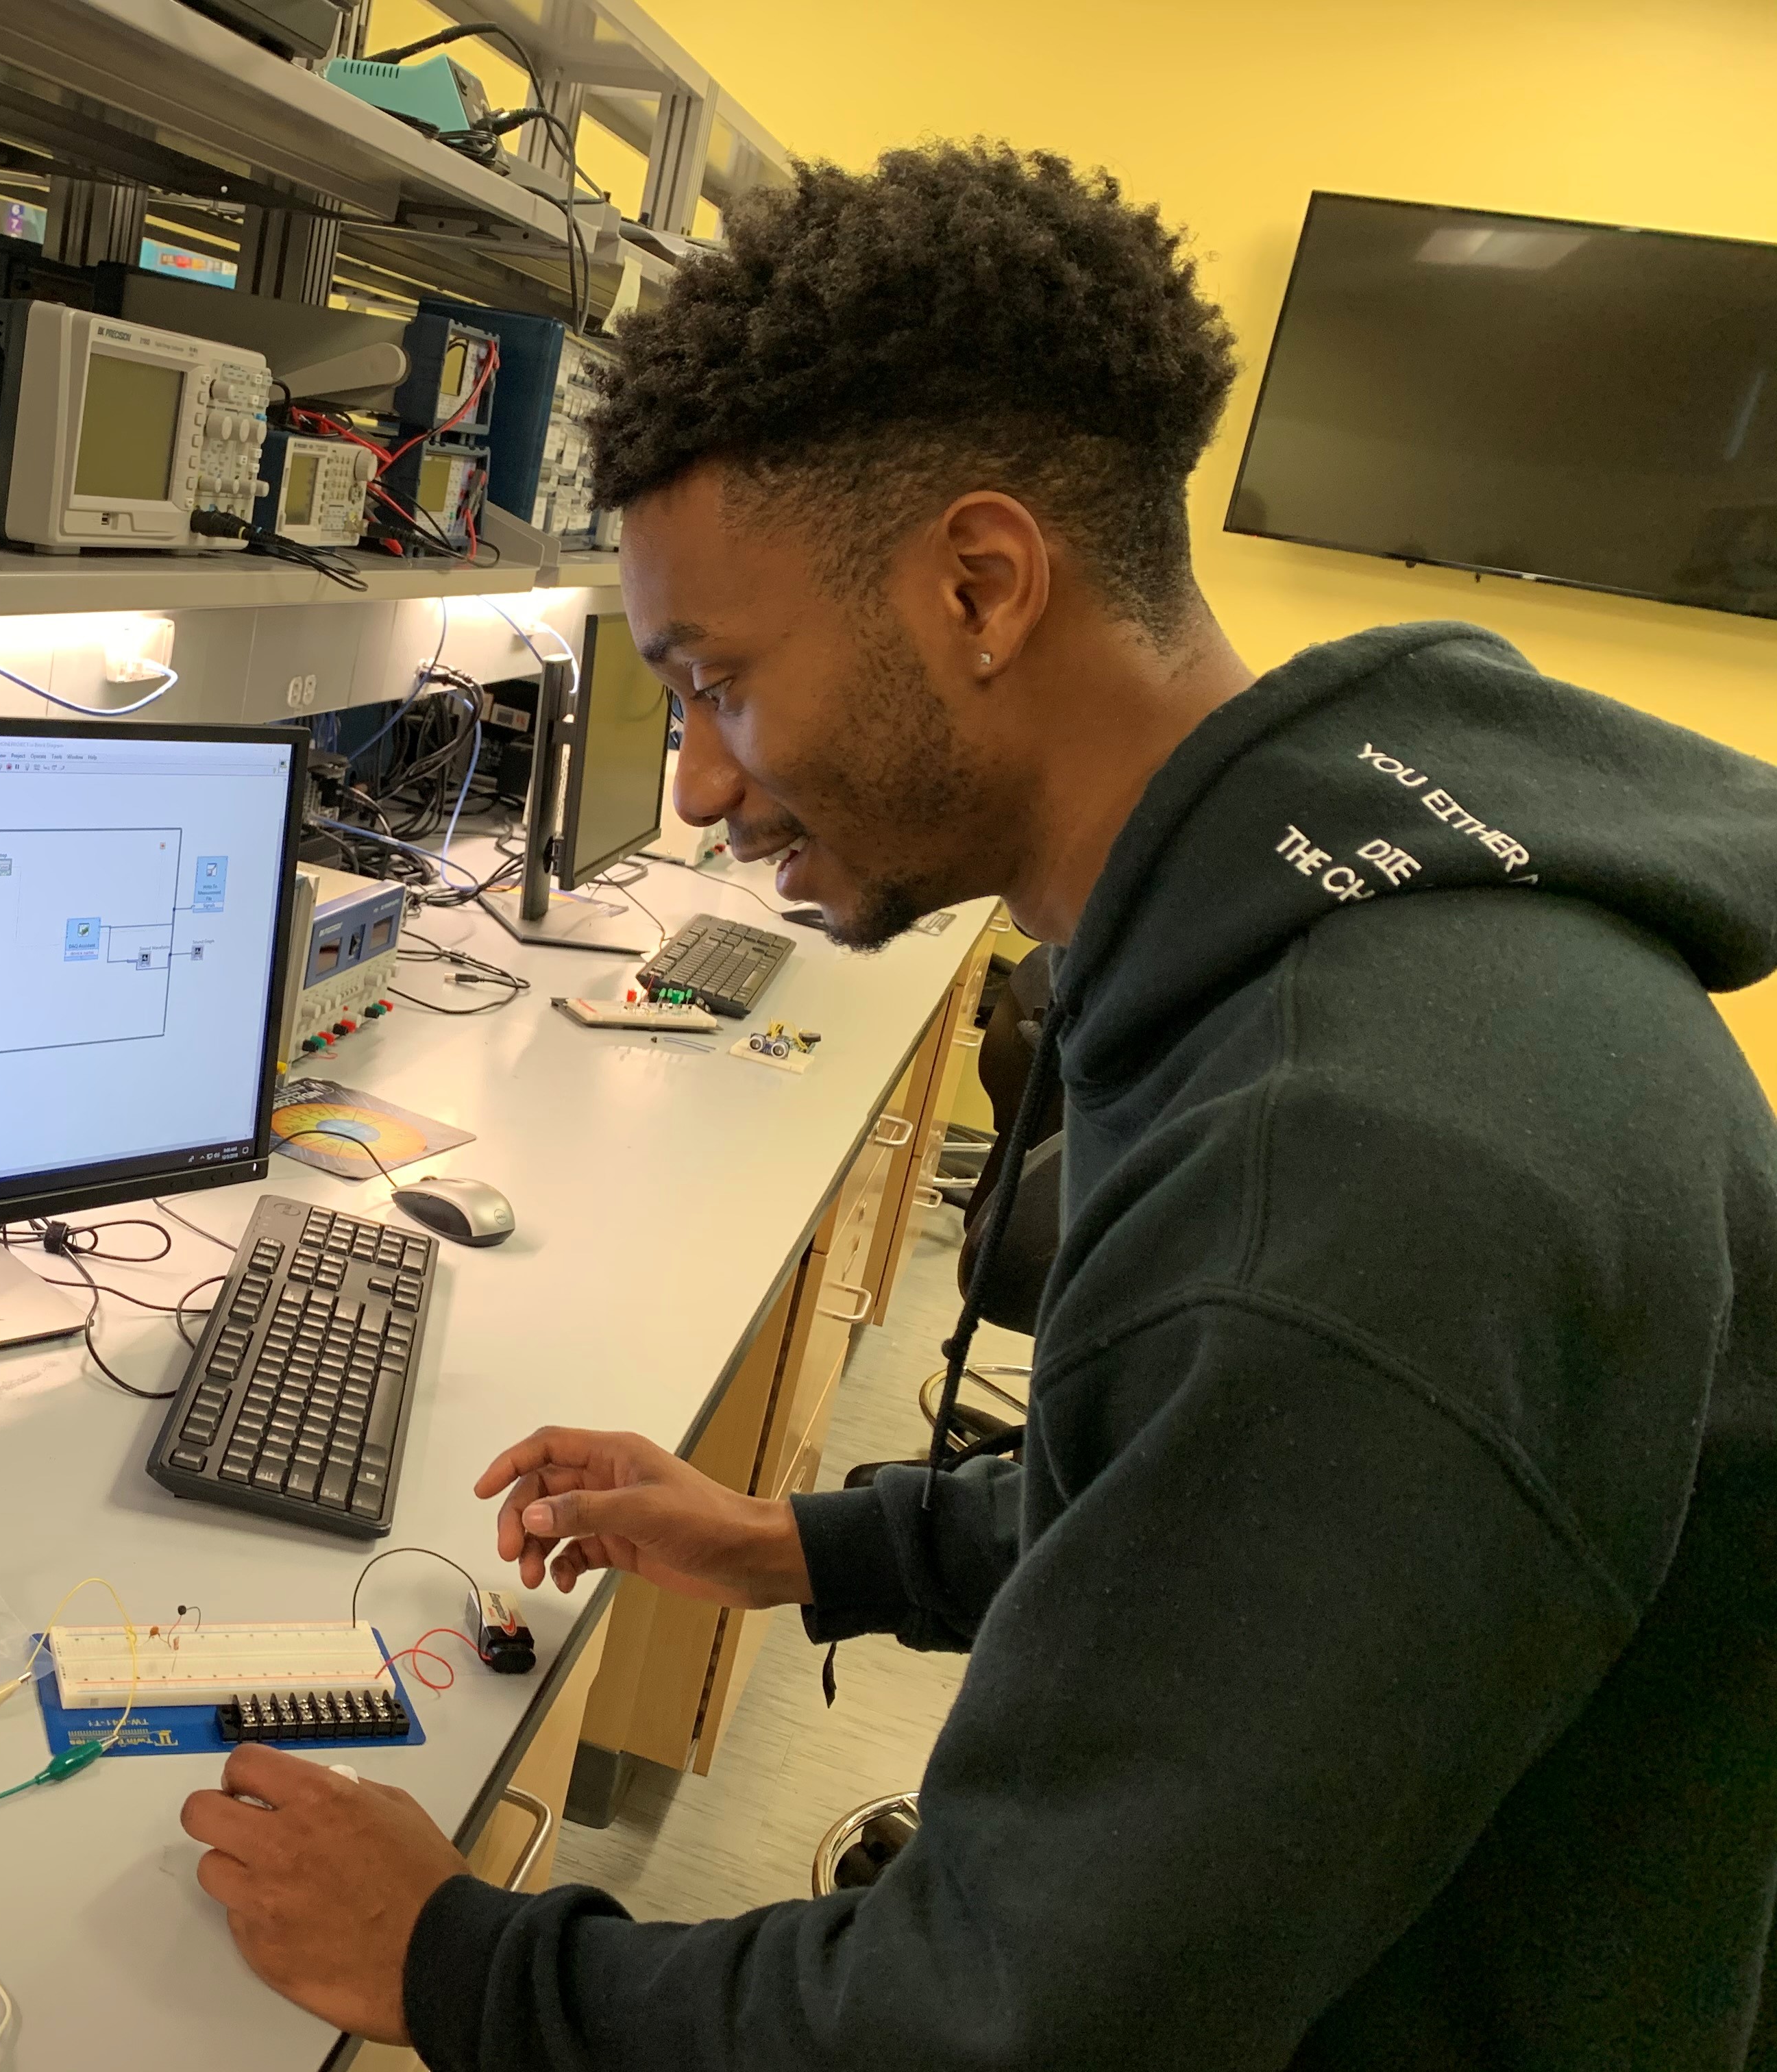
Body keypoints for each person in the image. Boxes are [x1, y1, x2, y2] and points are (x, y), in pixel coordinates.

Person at [179, 143, 1777, 2067]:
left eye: (720, 680)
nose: (691, 784)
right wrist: (811, 1546)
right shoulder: (1355, 919)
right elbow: (1205, 1507)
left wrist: (453, 1959)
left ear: (980, 583)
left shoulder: (1356, 1171)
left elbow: (1008, 2026)